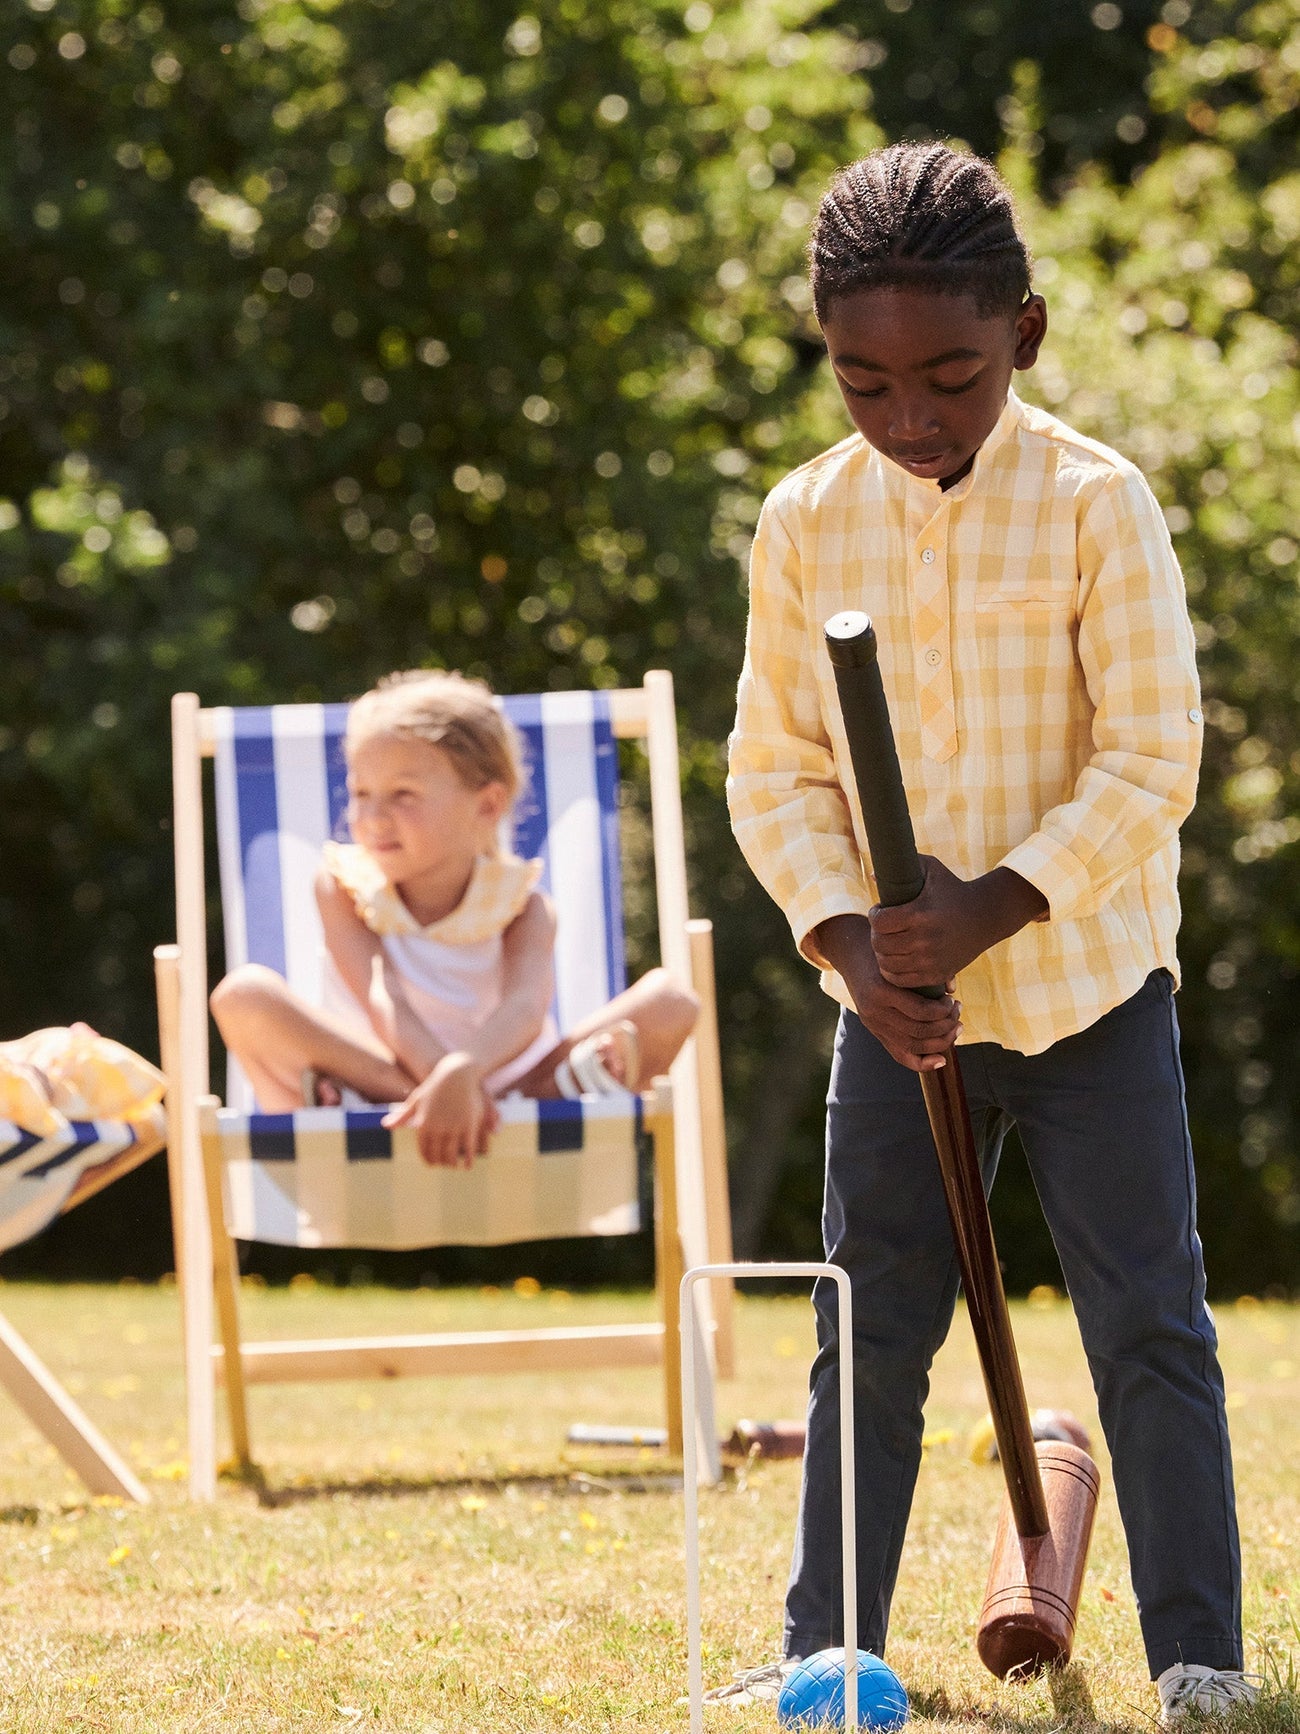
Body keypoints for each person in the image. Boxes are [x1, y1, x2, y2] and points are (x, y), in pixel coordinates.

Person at [722, 143, 1255, 1725]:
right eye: (864, 381)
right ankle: (824, 1645)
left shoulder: (1096, 502)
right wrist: (851, 948)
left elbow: (1152, 756)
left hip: (1089, 989)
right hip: (894, 1013)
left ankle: (1200, 1659)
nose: (909, 417)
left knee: (1146, 1315)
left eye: (950, 376)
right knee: (868, 1320)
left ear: (1022, 331)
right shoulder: (805, 519)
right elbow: (775, 769)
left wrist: (988, 907)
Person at [211, 669, 697, 1166]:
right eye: (360, 793)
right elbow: (384, 999)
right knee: (244, 998)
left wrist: (465, 1070)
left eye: (403, 794)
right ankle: (424, 1104)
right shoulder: (344, 889)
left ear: (487, 805)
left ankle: (499, 1102)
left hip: (504, 1085)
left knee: (671, 1002)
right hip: (382, 1082)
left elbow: (524, 1011)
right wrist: (442, 1078)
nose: (372, 817)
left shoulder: (522, 907)